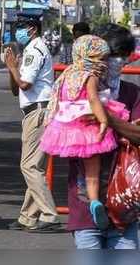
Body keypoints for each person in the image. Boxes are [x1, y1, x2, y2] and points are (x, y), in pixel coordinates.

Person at [41, 35, 130, 231]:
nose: (104, 62)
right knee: (93, 171)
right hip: (88, 126)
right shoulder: (90, 75)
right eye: (102, 57)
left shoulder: (66, 74)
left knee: (81, 168)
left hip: (67, 127)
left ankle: (91, 201)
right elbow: (92, 98)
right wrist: (105, 119)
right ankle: (95, 201)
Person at [67, 23, 139, 249]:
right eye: (110, 55)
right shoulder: (76, 90)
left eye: (121, 56)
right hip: (85, 204)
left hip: (125, 201)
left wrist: (106, 117)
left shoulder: (133, 94)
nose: (115, 61)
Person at [5, 14, 60, 232]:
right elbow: (15, 89)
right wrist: (13, 68)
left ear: (33, 30)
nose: (17, 31)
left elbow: (25, 84)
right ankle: (27, 217)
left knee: (28, 166)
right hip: (33, 112)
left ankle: (49, 213)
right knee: (34, 166)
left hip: (38, 111)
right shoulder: (28, 51)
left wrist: (12, 67)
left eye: (21, 27)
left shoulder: (35, 51)